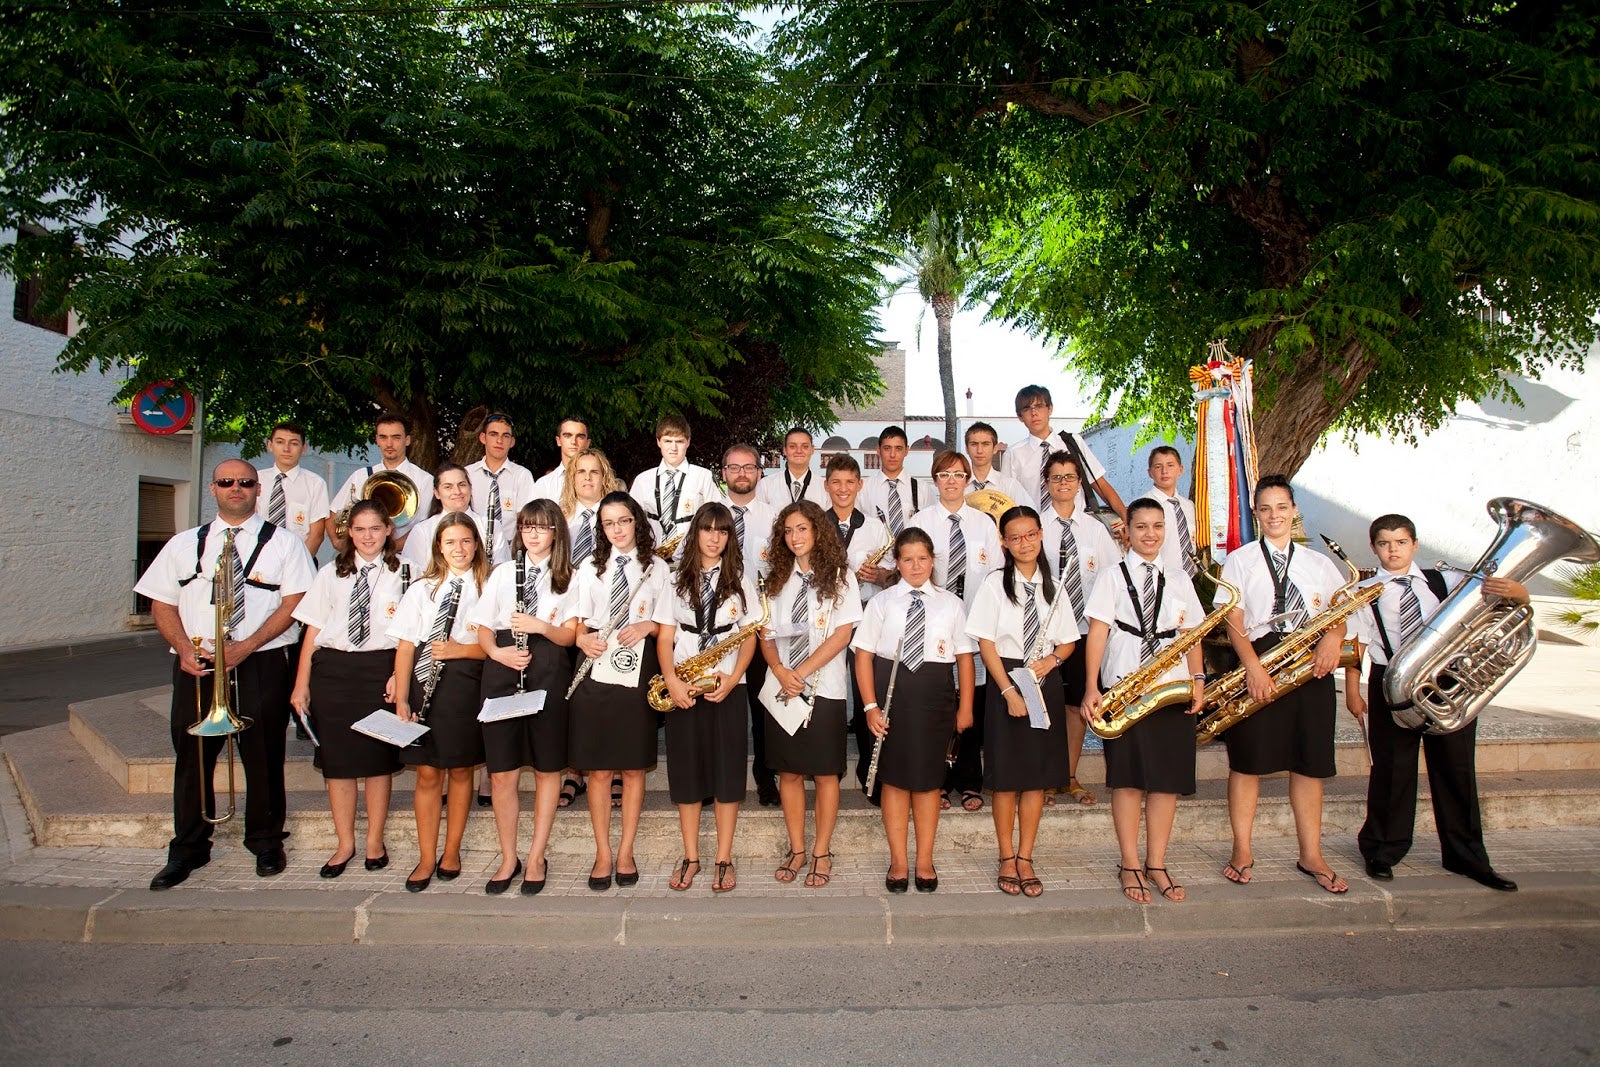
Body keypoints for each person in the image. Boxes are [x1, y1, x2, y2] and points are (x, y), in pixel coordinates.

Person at [139, 459, 316, 890]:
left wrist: (245, 646)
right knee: (193, 758)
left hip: (261, 661)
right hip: (196, 662)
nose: (235, 488)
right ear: (213, 489)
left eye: (244, 483)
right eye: (226, 482)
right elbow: (160, 603)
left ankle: (266, 841)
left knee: (264, 756)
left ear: (258, 489)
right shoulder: (183, 544)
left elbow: (295, 604)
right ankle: (188, 848)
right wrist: (183, 648)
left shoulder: (285, 544)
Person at [1346, 514, 1522, 892]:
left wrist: (1518, 593)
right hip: (1390, 679)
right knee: (1392, 770)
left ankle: (1467, 856)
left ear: (1415, 544)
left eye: (1400, 542)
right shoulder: (1365, 589)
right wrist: (1353, 689)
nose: (1393, 550)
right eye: (1384, 544)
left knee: (1456, 769)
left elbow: (1498, 600)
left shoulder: (1446, 580)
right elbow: (1357, 642)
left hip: (1448, 681)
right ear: (1374, 547)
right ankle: (1382, 850)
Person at [1215, 475, 1349, 893]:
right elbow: (1232, 619)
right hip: (1261, 660)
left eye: (1282, 507)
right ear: (1256, 515)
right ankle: (1242, 849)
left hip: (1310, 667)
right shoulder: (1239, 559)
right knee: (1248, 761)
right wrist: (1253, 667)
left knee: (1309, 764)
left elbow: (1340, 611)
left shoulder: (1320, 564)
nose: (1274, 515)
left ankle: (1311, 853)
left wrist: (1332, 638)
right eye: (1266, 509)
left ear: (1294, 511)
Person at [1080, 498, 1207, 904]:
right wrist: (1090, 687)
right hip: (1125, 684)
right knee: (1128, 779)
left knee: (1166, 781)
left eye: (1157, 526)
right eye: (1141, 527)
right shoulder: (1112, 577)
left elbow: (1192, 635)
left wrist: (1198, 679)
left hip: (1171, 686)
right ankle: (1130, 863)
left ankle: (1158, 863)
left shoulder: (1179, 577)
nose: (1149, 534)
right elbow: (1097, 633)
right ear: (1127, 531)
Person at [853, 528, 976, 894]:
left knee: (927, 783)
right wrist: (870, 707)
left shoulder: (950, 603)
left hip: (935, 697)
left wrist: (965, 706)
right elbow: (863, 656)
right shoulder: (882, 603)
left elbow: (965, 659)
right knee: (894, 781)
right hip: (893, 699)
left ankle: (924, 859)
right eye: (907, 559)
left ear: (933, 560)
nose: (916, 565)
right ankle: (899, 860)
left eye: (922, 558)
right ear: (897, 563)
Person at [966, 506, 1079, 897]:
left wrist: (1051, 661)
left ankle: (1026, 856)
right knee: (1008, 777)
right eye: (1015, 538)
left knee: (1035, 777)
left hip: (1043, 678)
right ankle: (1006, 856)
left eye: (1030, 535)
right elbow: (985, 642)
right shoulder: (995, 584)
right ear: (1004, 543)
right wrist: (1009, 691)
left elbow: (1068, 640)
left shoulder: (1056, 585)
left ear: (1041, 534)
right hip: (1008, 680)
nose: (1024, 543)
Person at [288, 500, 405, 878]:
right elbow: (313, 631)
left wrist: (399, 676)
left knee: (376, 762)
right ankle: (344, 843)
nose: (367, 536)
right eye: (359, 529)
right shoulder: (329, 574)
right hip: (334, 673)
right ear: (348, 533)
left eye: (375, 528)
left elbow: (412, 635)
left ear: (388, 530)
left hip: (380, 670)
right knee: (337, 764)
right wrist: (301, 684)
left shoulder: (406, 573)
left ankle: (374, 840)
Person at [471, 499, 579, 896]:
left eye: (543, 527)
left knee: (548, 768)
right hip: (503, 665)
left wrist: (541, 625)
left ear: (556, 532)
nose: (534, 534)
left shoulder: (568, 575)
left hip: (548, 664)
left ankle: (536, 856)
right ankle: (507, 856)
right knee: (502, 772)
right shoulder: (502, 572)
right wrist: (497, 653)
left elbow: (569, 636)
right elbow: (483, 627)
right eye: (527, 527)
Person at [653, 502, 762, 893]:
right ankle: (691, 856)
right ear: (696, 532)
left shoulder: (741, 580)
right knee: (686, 773)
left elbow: (748, 636)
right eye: (707, 529)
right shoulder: (674, 581)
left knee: (728, 773)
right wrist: (673, 682)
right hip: (684, 684)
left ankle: (723, 857)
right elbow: (665, 638)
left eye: (723, 531)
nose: (714, 538)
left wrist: (733, 679)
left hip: (726, 688)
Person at [759, 501, 862, 888]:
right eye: (788, 531)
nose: (795, 537)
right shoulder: (776, 578)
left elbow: (842, 634)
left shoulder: (840, 577)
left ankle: (821, 851)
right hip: (783, 688)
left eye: (802, 529)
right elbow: (765, 634)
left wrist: (799, 671)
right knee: (788, 771)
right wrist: (781, 671)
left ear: (817, 531)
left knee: (823, 773)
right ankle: (797, 849)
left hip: (824, 689)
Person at [569, 491, 669, 890]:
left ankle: (625, 851)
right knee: (598, 768)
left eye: (624, 521)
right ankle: (602, 854)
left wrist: (648, 626)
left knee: (631, 766)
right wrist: (581, 641)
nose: (617, 530)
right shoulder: (589, 569)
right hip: (595, 666)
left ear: (637, 523)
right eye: (609, 523)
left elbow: (669, 626)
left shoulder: (658, 568)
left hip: (638, 667)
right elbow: (575, 625)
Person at [389, 512, 490, 892]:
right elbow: (404, 646)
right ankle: (426, 855)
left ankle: (452, 851)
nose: (459, 549)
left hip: (464, 685)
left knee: (462, 771)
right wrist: (401, 697)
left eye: (466, 541)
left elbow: (495, 648)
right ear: (439, 547)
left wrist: (460, 649)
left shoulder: (488, 586)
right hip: (421, 684)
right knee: (428, 773)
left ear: (477, 544)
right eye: (450, 542)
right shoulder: (421, 589)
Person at [906, 449, 1001, 812]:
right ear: (935, 481)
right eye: (944, 475)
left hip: (974, 628)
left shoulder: (983, 525)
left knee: (970, 702)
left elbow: (993, 577)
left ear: (967, 480)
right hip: (934, 628)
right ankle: (939, 782)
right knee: (939, 705)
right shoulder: (922, 522)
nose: (951, 481)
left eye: (958, 475)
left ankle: (970, 780)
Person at [1041, 450, 1121, 806]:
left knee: (1076, 708)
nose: (1063, 483)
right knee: (1045, 707)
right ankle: (1043, 779)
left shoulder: (1096, 531)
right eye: (1056, 477)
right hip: (1045, 634)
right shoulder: (1036, 528)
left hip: (1086, 632)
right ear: (1046, 484)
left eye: (1069, 477)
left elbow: (1112, 580)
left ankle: (1070, 776)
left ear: (1079, 483)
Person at [822, 454, 893, 797]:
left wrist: (879, 575)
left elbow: (894, 575)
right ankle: (827, 767)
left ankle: (870, 771)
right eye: (836, 482)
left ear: (860, 485)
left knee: (868, 692)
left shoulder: (877, 527)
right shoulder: (814, 523)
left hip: (864, 614)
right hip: (826, 619)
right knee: (829, 691)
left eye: (850, 482)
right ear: (827, 485)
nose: (843, 489)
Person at [720, 442, 779, 805]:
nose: (742, 473)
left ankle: (765, 776)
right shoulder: (709, 516)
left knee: (762, 706)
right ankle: (720, 776)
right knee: (720, 704)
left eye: (749, 467)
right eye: (734, 467)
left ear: (759, 472)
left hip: (760, 626)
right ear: (723, 473)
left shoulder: (776, 518)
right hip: (717, 629)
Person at [1008, 384, 1125, 529]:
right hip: (1035, 531)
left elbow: (1100, 485)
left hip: (1078, 526)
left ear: (1050, 409)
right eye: (1026, 409)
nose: (1034, 413)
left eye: (1039, 406)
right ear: (1020, 416)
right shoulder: (1013, 454)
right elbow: (1007, 500)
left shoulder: (1072, 443)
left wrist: (1128, 519)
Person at [330, 413, 435, 550]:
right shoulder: (360, 476)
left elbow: (427, 524)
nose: (389, 444)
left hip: (404, 557)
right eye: (383, 437)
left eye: (396, 437)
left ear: (407, 440)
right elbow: (333, 513)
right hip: (363, 557)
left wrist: (392, 547)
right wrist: (338, 543)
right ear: (377, 440)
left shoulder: (424, 480)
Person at [629, 414, 719, 553]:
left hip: (691, 557)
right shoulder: (642, 480)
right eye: (667, 441)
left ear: (688, 442)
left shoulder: (704, 476)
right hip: (651, 556)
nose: (673, 447)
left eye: (679, 441)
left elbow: (716, 518)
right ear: (658, 442)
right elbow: (631, 520)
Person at [466, 412, 537, 562]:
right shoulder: (467, 474)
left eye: (506, 436)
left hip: (510, 552)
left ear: (512, 442)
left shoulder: (522, 475)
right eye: (493, 434)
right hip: (472, 550)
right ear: (482, 438)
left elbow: (524, 520)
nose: (499, 440)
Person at [255, 421, 331, 556]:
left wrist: (298, 565)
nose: (286, 449)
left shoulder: (315, 483)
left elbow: (317, 535)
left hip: (298, 559)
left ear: (304, 448)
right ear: (270, 445)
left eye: (294, 443)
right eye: (280, 442)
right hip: (258, 560)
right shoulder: (256, 480)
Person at [401, 463, 492, 572]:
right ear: (436, 493)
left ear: (470, 488)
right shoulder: (422, 530)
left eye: (462, 485)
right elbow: (413, 573)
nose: (457, 492)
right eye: (448, 487)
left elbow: (500, 571)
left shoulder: (491, 526)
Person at [1141, 446, 1202, 586]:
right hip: (1159, 581)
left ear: (1180, 469)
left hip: (1190, 582)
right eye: (1158, 467)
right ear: (1149, 472)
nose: (1165, 471)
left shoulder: (1189, 506)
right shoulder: (1143, 506)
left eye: (1170, 465)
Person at [559, 447, 623, 571]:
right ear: (572, 478)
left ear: (604, 478)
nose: (587, 477)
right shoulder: (559, 517)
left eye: (594, 472)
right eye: (581, 471)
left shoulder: (620, 518)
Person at [859, 425, 924, 540]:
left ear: (906, 450)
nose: (892, 455)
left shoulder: (922, 488)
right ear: (878, 450)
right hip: (874, 556)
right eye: (887, 448)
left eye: (898, 448)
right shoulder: (864, 488)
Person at [755, 427, 829, 509]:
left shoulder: (824, 487)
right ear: (785, 450)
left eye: (805, 446)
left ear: (812, 450)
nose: (799, 451)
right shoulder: (766, 485)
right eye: (792, 446)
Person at [962, 421, 1029, 505]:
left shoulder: (1010, 486)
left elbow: (1029, 515)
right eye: (974, 444)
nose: (979, 450)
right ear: (967, 449)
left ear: (995, 448)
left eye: (985, 444)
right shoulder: (958, 485)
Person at [531, 416, 592, 501]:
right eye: (568, 436)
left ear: (588, 443)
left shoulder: (602, 483)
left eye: (580, 436)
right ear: (558, 440)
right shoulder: (544, 485)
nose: (574, 442)